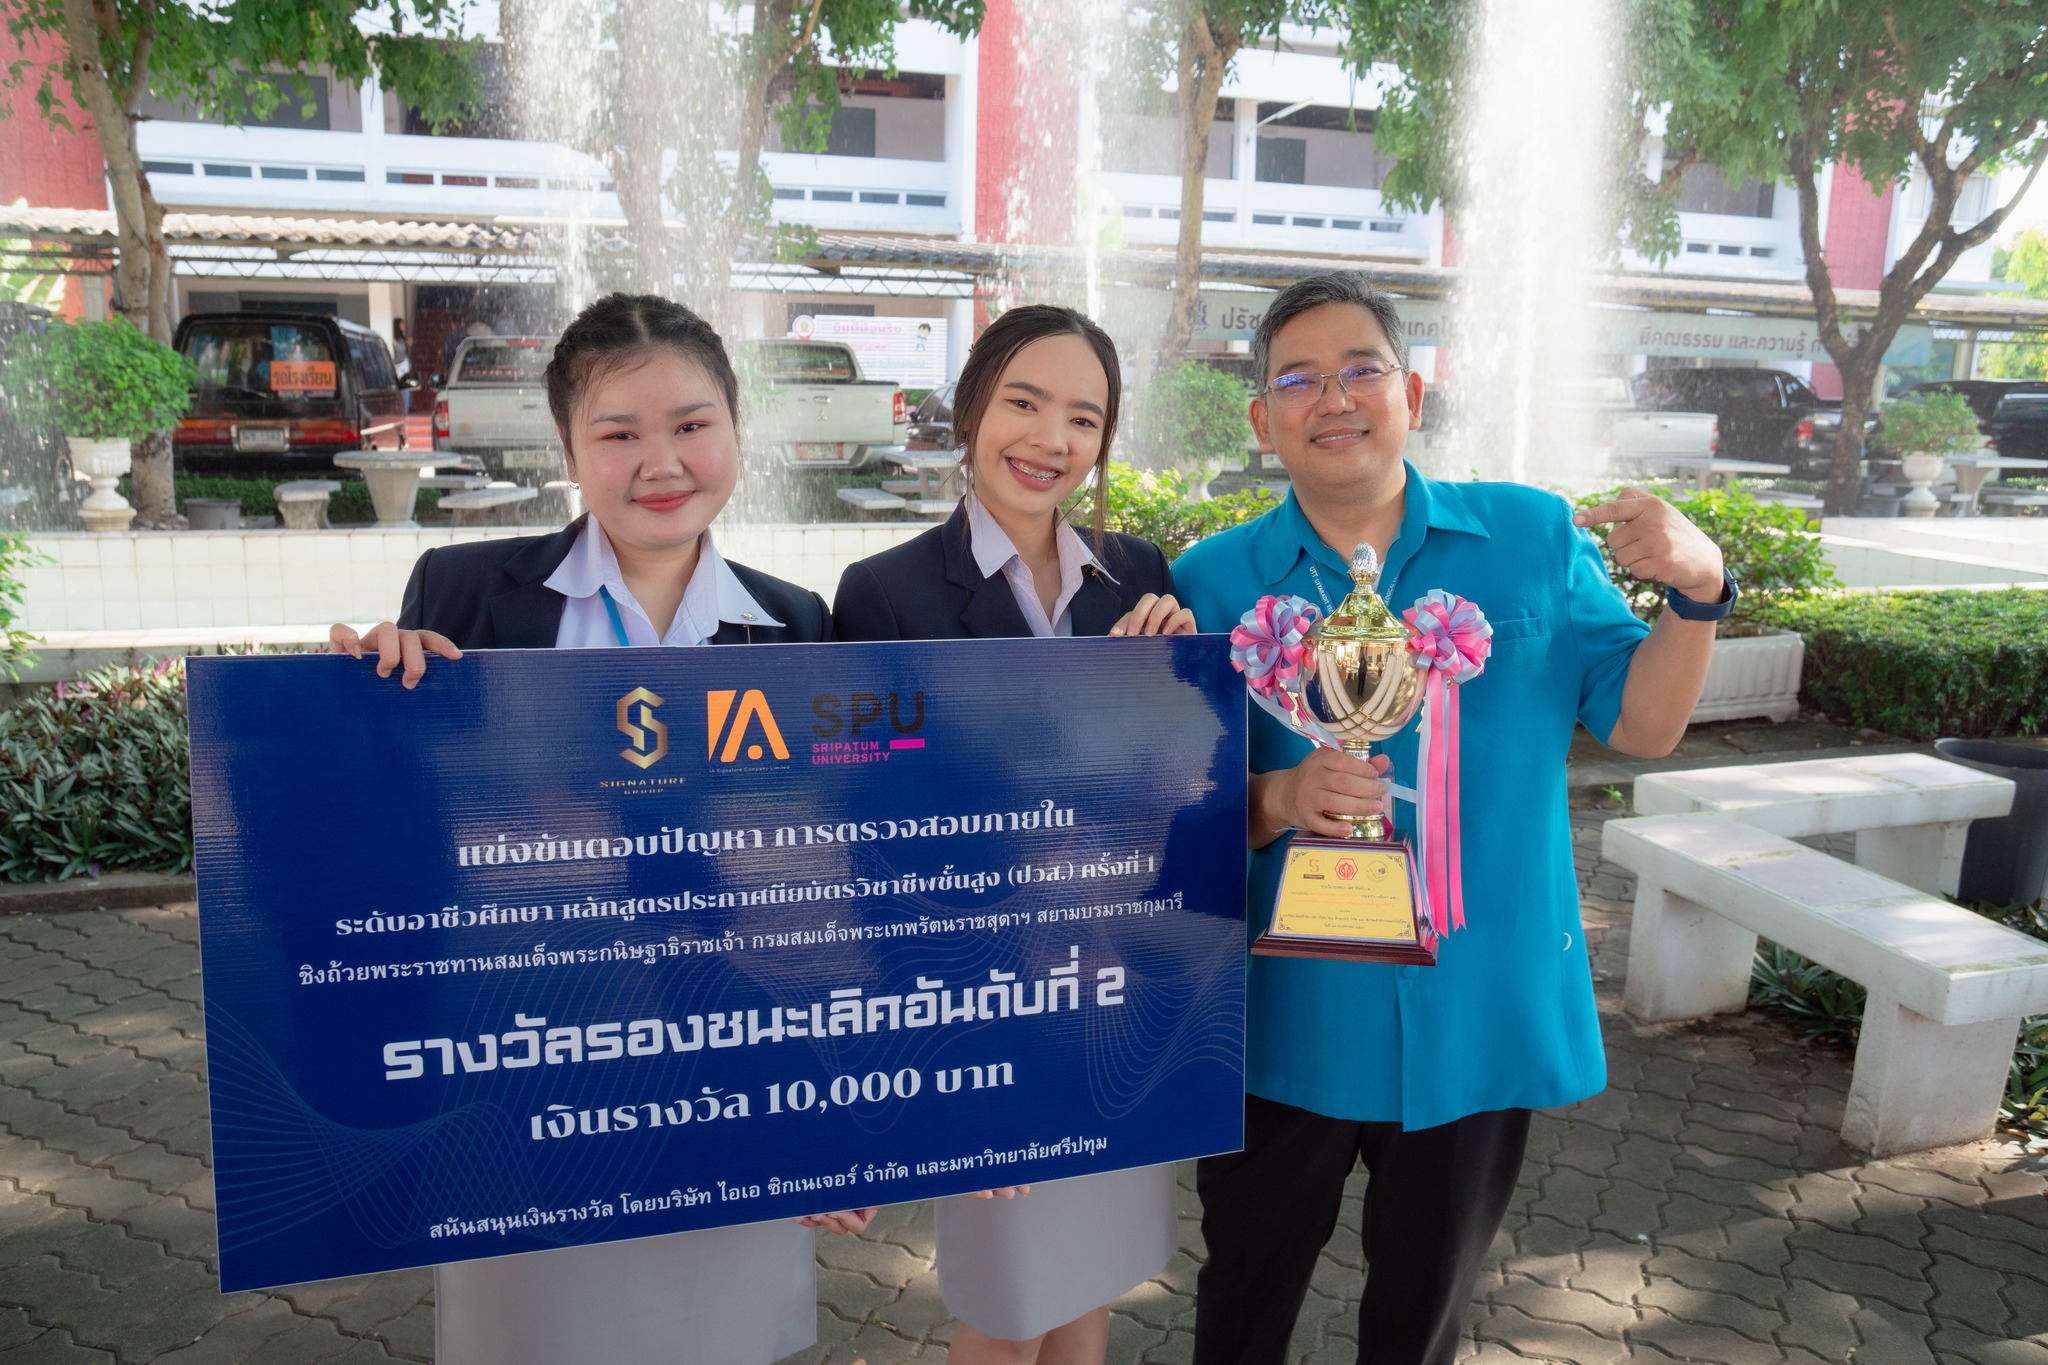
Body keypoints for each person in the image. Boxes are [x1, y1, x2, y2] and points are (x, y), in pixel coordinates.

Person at [1169, 272, 1731, 1365]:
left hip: (1472, 1011)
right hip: (1282, 1015)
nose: (1333, 398)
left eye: (1361, 369)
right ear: (1260, 419)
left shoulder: (1527, 538)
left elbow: (1642, 724)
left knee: (1420, 1315)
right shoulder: (1208, 583)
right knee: (1241, 1299)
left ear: (1411, 394)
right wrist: (1275, 798)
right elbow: (1168, 815)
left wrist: (1697, 591)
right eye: (1297, 378)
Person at [329, 292, 863, 1365]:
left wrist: (831, 1105)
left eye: (692, 425)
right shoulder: (467, 595)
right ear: (570, 446)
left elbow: (824, 879)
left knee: (718, 1334)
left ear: (736, 432)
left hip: (730, 1062)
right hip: (530, 1051)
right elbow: (406, 831)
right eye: (618, 433)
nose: (660, 460)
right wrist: (366, 704)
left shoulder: (795, 623)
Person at [833, 303, 1194, 1365]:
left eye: (1082, 418)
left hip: (1118, 983)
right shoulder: (886, 592)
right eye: (1023, 404)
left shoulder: (1139, 577)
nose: (1049, 440)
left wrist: (1173, 675)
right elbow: (874, 842)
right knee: (1002, 1295)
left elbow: (1176, 784)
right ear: (969, 410)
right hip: (987, 994)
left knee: (1086, 1276)